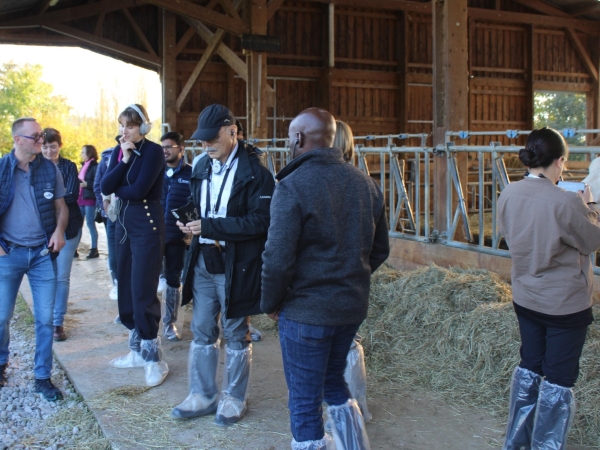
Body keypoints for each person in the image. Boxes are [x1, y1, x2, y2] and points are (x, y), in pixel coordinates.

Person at [261, 107, 390, 450]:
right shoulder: (367, 184)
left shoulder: (292, 186)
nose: (290, 142)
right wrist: (349, 279)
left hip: (306, 312)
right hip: (350, 307)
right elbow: (379, 251)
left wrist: (271, 302)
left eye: (291, 136)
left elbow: (277, 258)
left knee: (304, 402)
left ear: (299, 138)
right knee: (334, 382)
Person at [171, 104, 275, 426]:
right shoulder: (201, 166)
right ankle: (202, 394)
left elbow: (261, 221)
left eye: (212, 138)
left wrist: (211, 226)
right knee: (201, 328)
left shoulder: (257, 173)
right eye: (202, 140)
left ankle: (233, 397)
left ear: (233, 131)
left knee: (234, 331)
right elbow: (200, 204)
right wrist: (190, 222)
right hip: (203, 258)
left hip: (236, 264)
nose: (206, 145)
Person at [498, 127, 600, 450]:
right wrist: (592, 204)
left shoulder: (508, 194)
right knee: (558, 380)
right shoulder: (566, 202)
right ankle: (546, 446)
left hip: (526, 298)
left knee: (530, 366)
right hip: (564, 307)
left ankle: (516, 441)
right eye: (564, 163)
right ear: (558, 162)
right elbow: (592, 239)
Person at [101, 104, 168, 387]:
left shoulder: (153, 151)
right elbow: (105, 185)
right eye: (122, 125)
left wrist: (119, 188)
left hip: (147, 227)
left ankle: (154, 357)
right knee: (125, 287)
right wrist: (125, 160)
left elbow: (140, 190)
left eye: (130, 125)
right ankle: (136, 351)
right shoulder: (121, 151)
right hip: (124, 228)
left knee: (142, 288)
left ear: (143, 126)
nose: (125, 130)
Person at [0, 118, 68, 400]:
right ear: (18, 140)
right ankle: (1, 364)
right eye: (36, 136)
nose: (41, 141)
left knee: (45, 319)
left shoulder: (49, 169)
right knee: (2, 316)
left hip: (42, 255)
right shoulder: (2, 169)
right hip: (8, 254)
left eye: (42, 136)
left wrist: (59, 230)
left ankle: (42, 378)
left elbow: (61, 207)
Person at [332, 119, 372, 424]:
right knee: (350, 342)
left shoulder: (312, 182)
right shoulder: (366, 183)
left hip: (323, 281)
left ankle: (336, 409)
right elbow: (379, 246)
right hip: (354, 280)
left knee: (328, 345)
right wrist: (362, 267)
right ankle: (357, 406)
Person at [41, 128, 84, 342]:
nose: (49, 150)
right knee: (45, 277)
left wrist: (46, 198)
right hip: (42, 229)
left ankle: (58, 322)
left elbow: (71, 195)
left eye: (53, 146)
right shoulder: (34, 167)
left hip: (69, 226)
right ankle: (45, 319)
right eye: (45, 146)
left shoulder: (68, 166)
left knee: (62, 276)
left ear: (60, 145)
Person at [160, 131, 192, 341]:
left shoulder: (191, 174)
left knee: (174, 279)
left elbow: (195, 204)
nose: (165, 150)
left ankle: (170, 323)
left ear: (181, 148)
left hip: (176, 237)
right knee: (145, 278)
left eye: (169, 146)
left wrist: (188, 231)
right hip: (152, 235)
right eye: (162, 147)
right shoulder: (155, 172)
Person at [94, 143, 119, 301]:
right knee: (114, 252)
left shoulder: (144, 155)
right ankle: (117, 284)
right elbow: (98, 185)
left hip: (136, 216)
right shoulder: (107, 158)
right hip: (113, 215)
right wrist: (105, 206)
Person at [78, 145, 99, 259]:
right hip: (80, 197)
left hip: (90, 198)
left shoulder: (95, 166)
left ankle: (94, 249)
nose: (81, 154)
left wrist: (87, 185)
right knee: (78, 224)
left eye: (83, 152)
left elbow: (97, 183)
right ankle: (74, 248)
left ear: (89, 153)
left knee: (90, 224)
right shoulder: (83, 165)